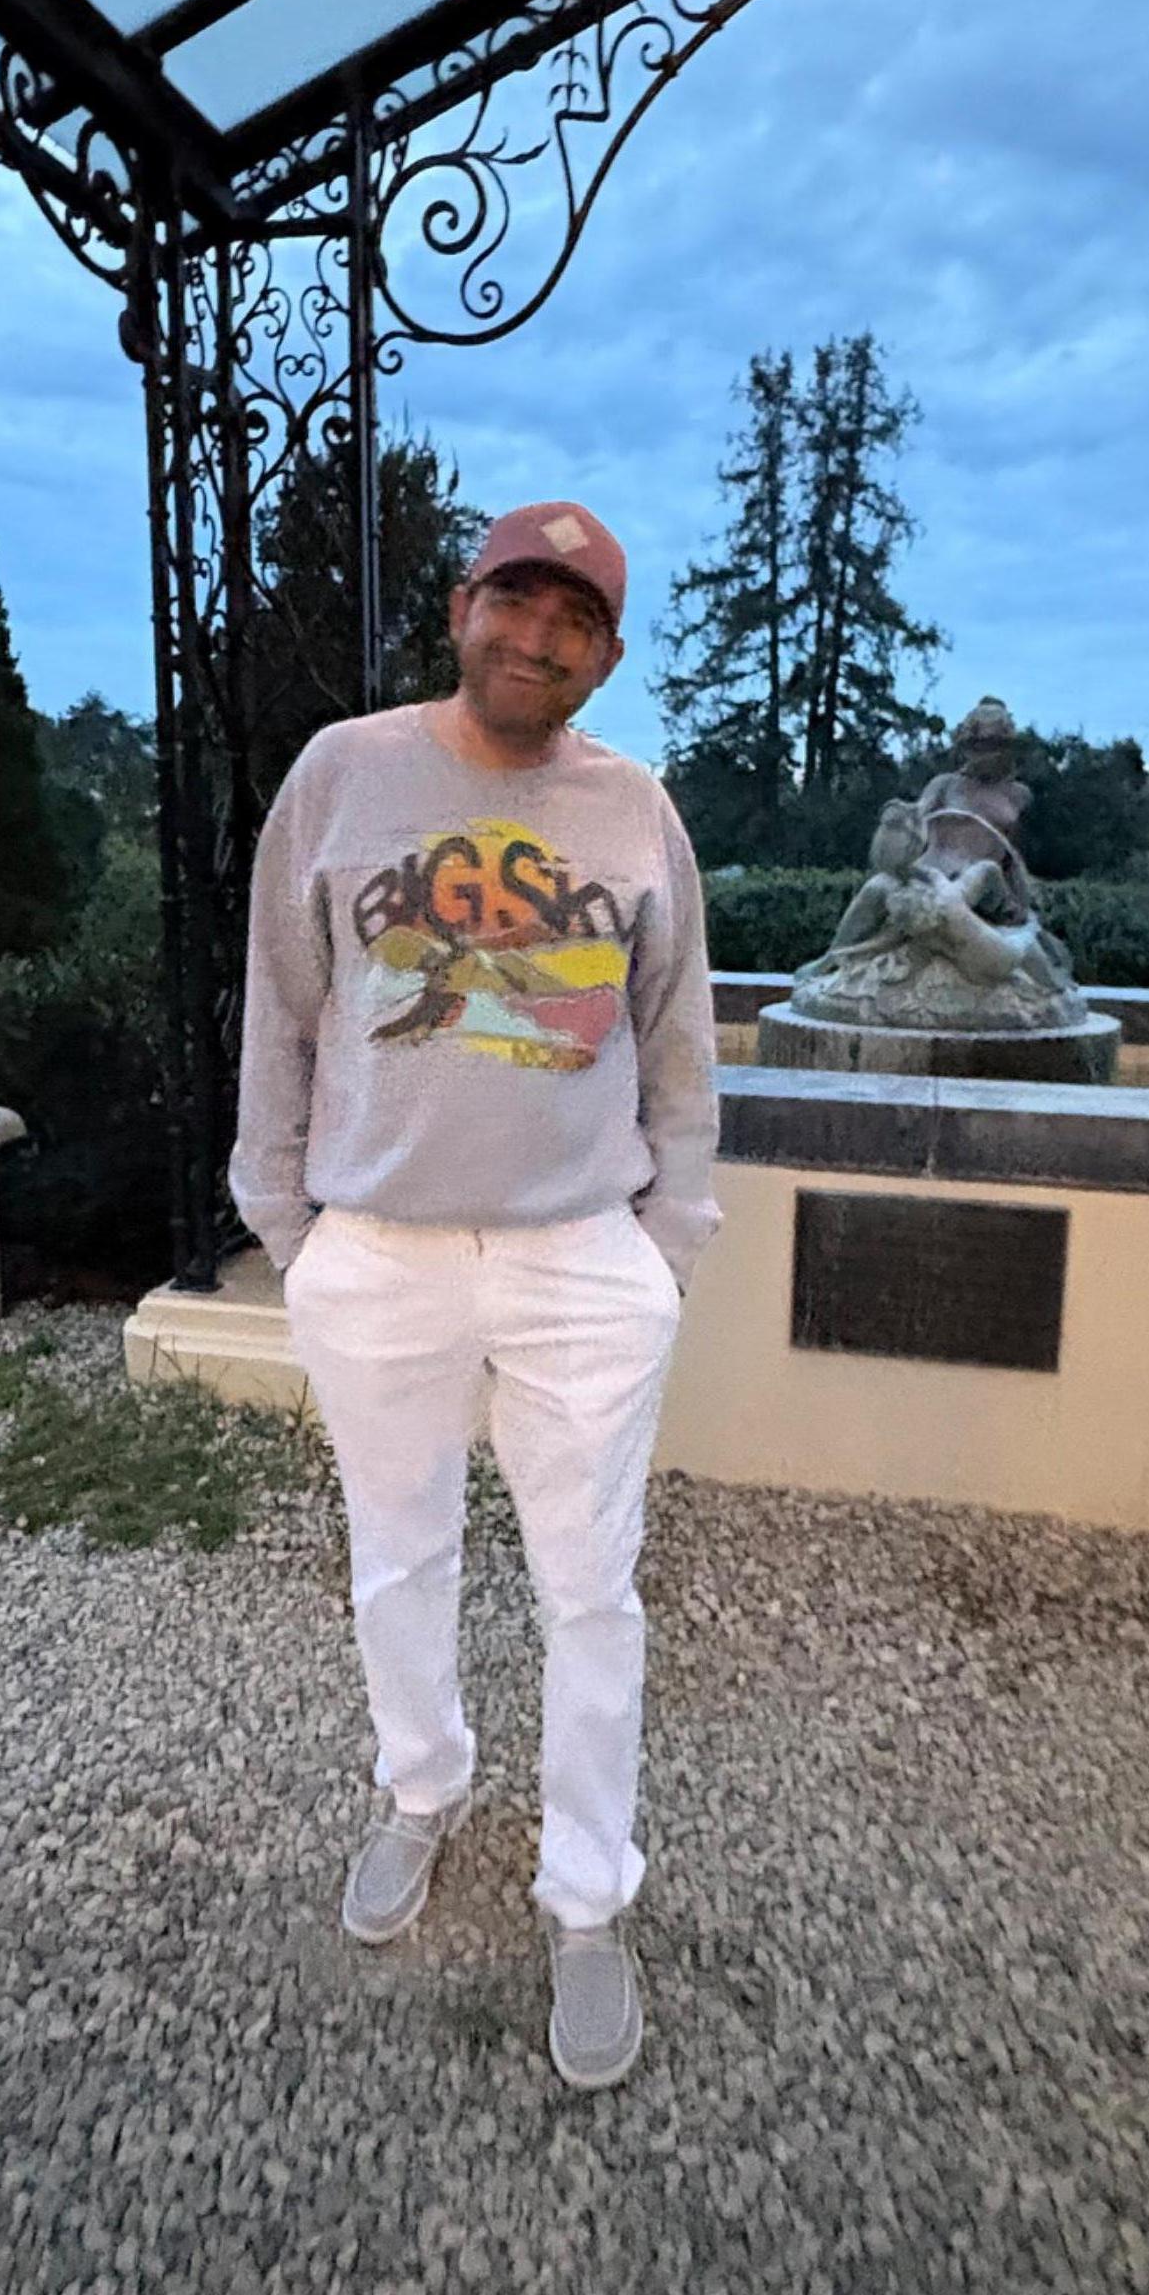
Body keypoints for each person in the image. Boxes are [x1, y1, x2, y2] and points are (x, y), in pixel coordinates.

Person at [230, 501, 720, 2092]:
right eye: (518, 601)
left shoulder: (635, 811)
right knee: (398, 1553)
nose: (539, 638)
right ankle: (420, 1791)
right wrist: (288, 1222)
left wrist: (668, 1241)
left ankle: (587, 1895)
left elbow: (679, 1036)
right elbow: (282, 1007)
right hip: (379, 1250)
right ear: (463, 608)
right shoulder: (343, 774)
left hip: (582, 1257)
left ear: (607, 658)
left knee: (593, 1590)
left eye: (576, 621)